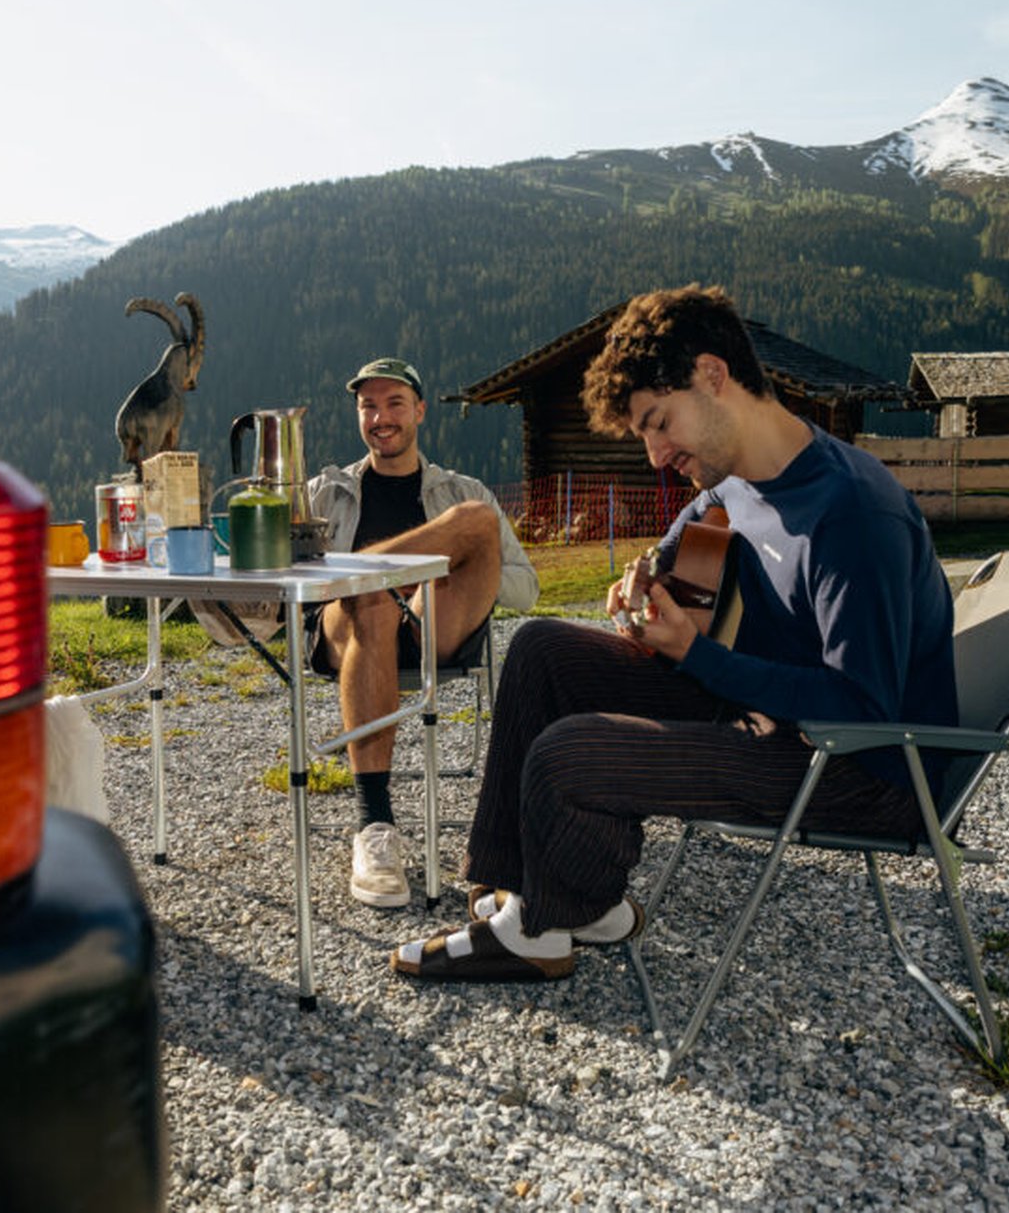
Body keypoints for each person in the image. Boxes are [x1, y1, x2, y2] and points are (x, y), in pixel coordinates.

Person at [391, 284, 957, 981]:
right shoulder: (735, 481)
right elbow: (679, 555)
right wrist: (645, 586)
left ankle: (541, 926)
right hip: (771, 717)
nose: (657, 455)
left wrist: (697, 653)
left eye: (660, 422)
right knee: (540, 649)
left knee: (570, 753)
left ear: (713, 376)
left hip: (856, 767)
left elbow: (861, 705)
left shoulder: (852, 515)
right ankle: (540, 894)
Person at [307, 357, 539, 909]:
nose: (380, 417)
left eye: (393, 404)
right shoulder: (325, 493)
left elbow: (525, 588)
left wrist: (441, 571)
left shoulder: (460, 490)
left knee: (477, 522)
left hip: (431, 623)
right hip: (348, 625)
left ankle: (367, 569)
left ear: (419, 411)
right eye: (368, 406)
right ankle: (374, 827)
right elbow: (284, 577)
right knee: (371, 603)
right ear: (358, 416)